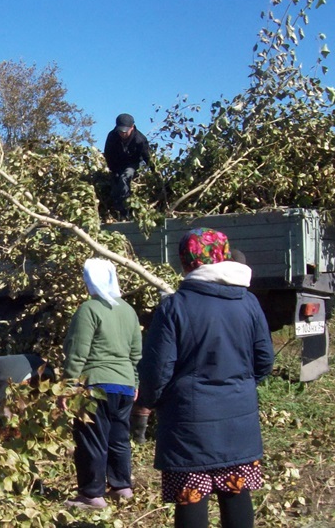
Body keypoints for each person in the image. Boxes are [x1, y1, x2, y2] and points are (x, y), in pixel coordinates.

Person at [137, 228, 274, 528]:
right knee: (237, 492)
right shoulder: (248, 302)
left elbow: (157, 371)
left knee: (192, 497)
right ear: (222, 256)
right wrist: (239, 388)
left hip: (189, 423)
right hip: (239, 420)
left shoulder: (174, 307)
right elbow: (264, 361)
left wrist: (148, 402)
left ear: (186, 262)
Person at [62, 258, 143, 510]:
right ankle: (122, 487)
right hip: (125, 386)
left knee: (92, 439)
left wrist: (68, 386)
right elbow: (136, 353)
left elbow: (78, 352)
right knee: (118, 438)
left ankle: (92, 494)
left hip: (95, 385)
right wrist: (136, 382)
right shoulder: (128, 310)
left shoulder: (89, 310)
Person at [103, 113, 150, 220]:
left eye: (125, 131)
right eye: (120, 131)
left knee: (125, 178)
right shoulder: (112, 136)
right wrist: (113, 170)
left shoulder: (140, 139)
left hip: (132, 164)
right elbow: (108, 154)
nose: (123, 133)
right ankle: (116, 211)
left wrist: (154, 171)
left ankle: (126, 213)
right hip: (117, 163)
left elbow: (147, 157)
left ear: (132, 127)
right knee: (115, 185)